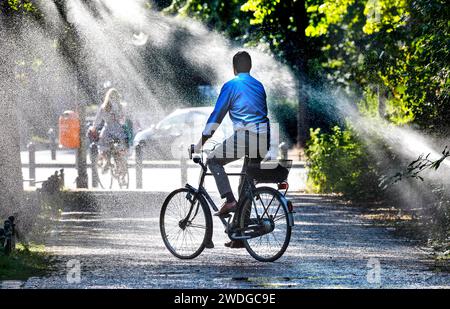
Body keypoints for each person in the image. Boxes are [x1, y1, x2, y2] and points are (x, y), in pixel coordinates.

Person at [194, 51, 270, 248]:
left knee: (213, 160)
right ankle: (239, 236)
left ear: (234, 68)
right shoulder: (258, 85)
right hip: (265, 136)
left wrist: (200, 143)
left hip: (247, 135)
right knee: (246, 186)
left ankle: (228, 200)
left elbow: (217, 116)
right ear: (250, 67)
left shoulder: (231, 85)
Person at [89, 88, 129, 172]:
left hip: (107, 131)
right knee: (117, 147)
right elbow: (123, 119)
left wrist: (93, 127)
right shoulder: (121, 107)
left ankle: (107, 161)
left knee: (103, 146)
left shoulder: (104, 107)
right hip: (118, 131)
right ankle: (120, 164)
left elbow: (98, 119)